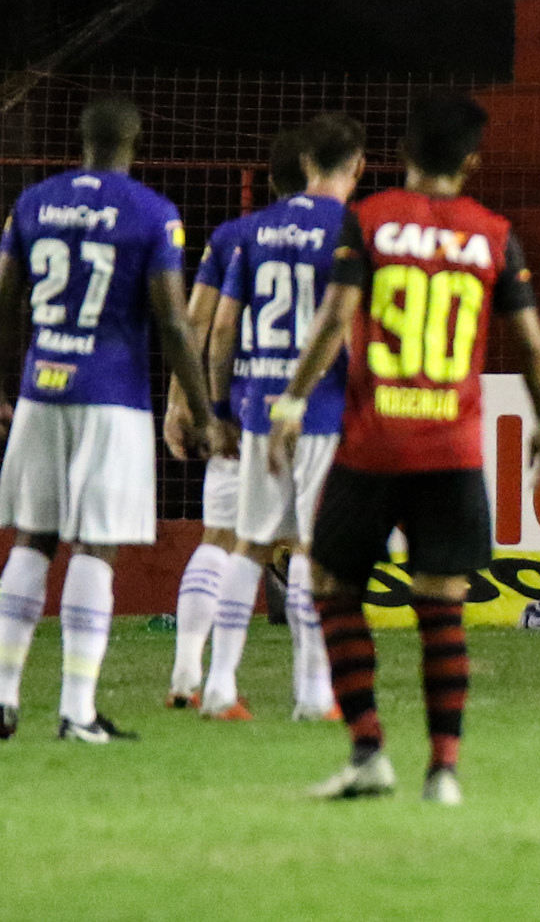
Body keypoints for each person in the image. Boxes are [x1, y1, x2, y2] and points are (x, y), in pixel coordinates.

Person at [267, 93, 540, 804]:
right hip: (451, 450)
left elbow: (337, 317)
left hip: (372, 445)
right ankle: (445, 770)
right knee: (442, 605)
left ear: (400, 153)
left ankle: (369, 750)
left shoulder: (368, 220)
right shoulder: (493, 234)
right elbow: (528, 341)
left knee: (331, 587)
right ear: (472, 160)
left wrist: (294, 399)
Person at [0, 94, 213, 742]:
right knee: (95, 546)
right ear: (133, 144)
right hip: (110, 398)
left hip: (40, 390)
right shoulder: (150, 213)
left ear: (81, 143)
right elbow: (170, 319)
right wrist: (200, 406)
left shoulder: (32, 204)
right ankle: (77, 711)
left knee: (32, 539)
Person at [202, 114, 364, 722]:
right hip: (322, 408)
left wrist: (219, 408)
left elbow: (221, 329)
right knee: (314, 550)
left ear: (302, 165)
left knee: (250, 544)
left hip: (257, 406)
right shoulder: (353, 229)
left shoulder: (252, 230)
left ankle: (219, 686)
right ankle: (313, 694)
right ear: (359, 165)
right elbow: (351, 323)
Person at [162, 128, 306, 710]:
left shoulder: (232, 237)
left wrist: (185, 403)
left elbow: (199, 325)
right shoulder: (337, 236)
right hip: (306, 412)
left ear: (270, 181)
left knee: (219, 539)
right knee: (302, 546)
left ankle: (185, 674)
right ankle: (315, 687)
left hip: (239, 407)